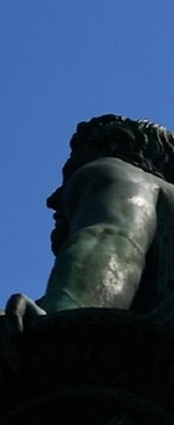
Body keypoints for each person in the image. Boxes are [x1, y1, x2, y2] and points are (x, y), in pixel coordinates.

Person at [39, 114, 174, 315]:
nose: (53, 199)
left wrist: (60, 314)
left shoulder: (118, 173)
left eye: (72, 174)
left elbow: (110, 239)